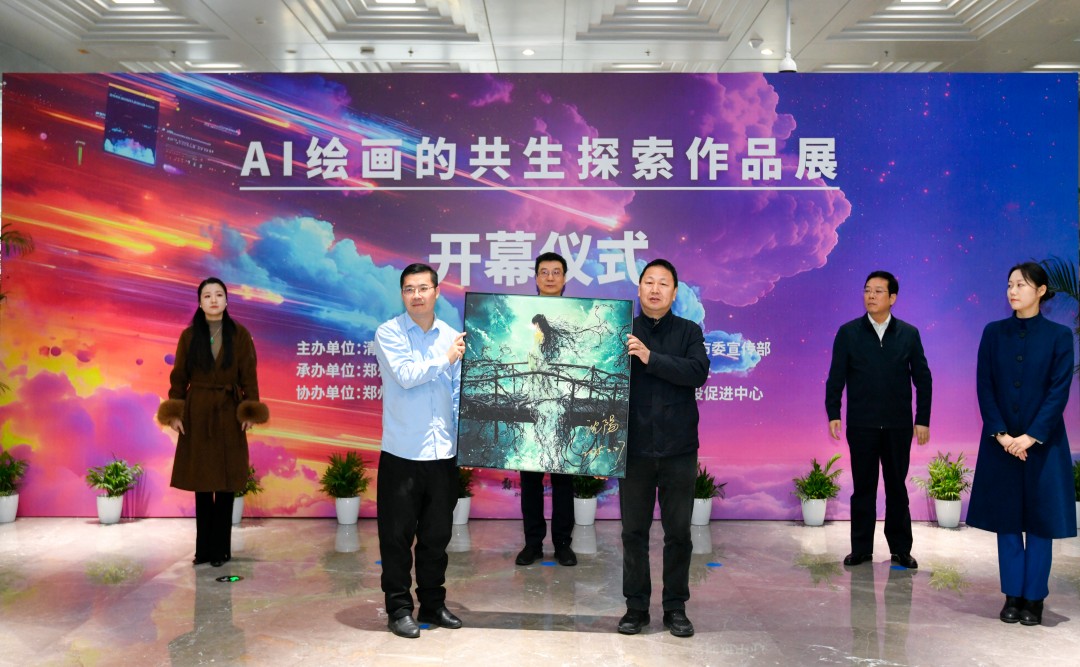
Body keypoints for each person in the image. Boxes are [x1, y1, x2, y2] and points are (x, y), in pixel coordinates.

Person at [966, 262, 1076, 626]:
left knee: (1041, 524)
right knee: (1008, 521)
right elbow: (985, 386)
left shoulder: (1059, 336)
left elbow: (1058, 391)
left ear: (1041, 291)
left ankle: (1034, 598)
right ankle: (1012, 595)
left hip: (1044, 444)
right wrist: (1002, 435)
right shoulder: (993, 333)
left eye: (1021, 285)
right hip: (1001, 444)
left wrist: (1030, 436)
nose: (1013, 291)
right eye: (1010, 284)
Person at [374, 263, 466, 639]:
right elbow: (407, 375)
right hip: (402, 453)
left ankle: (432, 603)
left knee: (436, 537)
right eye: (409, 289)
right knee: (396, 538)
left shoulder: (451, 337)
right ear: (402, 294)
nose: (417, 295)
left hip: (442, 454)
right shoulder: (389, 333)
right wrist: (446, 358)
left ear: (436, 292)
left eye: (423, 288)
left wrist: (465, 440)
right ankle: (398, 609)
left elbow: (457, 394)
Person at [617, 259, 709, 638]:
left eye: (663, 283)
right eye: (649, 282)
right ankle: (636, 607)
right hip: (634, 450)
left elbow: (697, 373)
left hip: (678, 449)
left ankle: (675, 607)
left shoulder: (689, 331)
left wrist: (650, 358)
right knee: (633, 533)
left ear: (674, 292)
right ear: (639, 289)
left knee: (679, 534)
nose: (655, 289)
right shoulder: (622, 331)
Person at [157, 277, 268, 568]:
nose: (214, 300)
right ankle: (203, 550)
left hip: (229, 411)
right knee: (203, 483)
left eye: (219, 294)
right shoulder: (189, 336)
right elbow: (178, 378)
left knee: (226, 483)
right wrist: (175, 413)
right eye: (207, 296)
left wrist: (249, 412)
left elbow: (249, 376)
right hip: (198, 412)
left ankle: (221, 550)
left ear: (227, 300)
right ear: (199, 302)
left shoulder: (240, 334)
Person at [825, 270, 932, 570]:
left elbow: (923, 379)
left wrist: (922, 419)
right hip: (862, 425)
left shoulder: (909, 334)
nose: (870, 296)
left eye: (878, 291)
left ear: (892, 297)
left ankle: (901, 549)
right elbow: (836, 377)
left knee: (897, 487)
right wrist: (833, 413)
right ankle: (860, 549)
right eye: (867, 290)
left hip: (898, 426)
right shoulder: (848, 333)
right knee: (864, 488)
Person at [515, 252, 577, 567]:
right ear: (536, 278)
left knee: (563, 477)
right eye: (544, 272)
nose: (550, 277)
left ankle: (563, 543)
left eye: (556, 272)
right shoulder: (527, 316)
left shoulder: (569, 318)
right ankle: (533, 543)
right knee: (530, 476)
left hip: (562, 401)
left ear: (565, 278)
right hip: (534, 399)